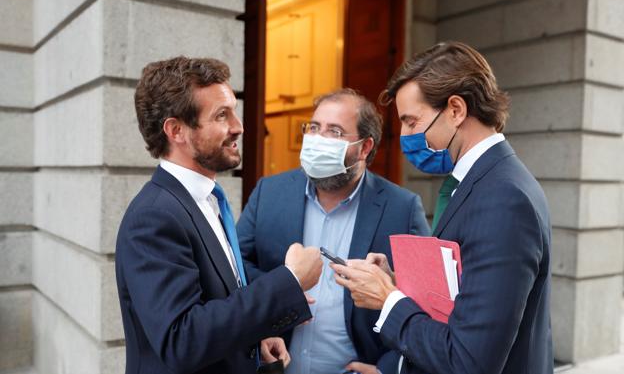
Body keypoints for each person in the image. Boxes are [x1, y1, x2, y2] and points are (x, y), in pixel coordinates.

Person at [331, 42, 553, 374]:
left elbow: (469, 360)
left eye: (411, 121)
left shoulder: (504, 198)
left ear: (455, 110)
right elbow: (468, 298)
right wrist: (397, 282)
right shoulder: (483, 182)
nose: (405, 136)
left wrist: (388, 301)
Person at [115, 56, 323, 374]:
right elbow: (181, 340)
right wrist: (289, 280)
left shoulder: (207, 199)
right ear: (176, 130)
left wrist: (256, 335)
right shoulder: (154, 217)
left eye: (233, 112)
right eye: (221, 115)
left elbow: (218, 301)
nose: (238, 126)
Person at [237, 88, 430, 374]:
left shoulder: (401, 208)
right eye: (314, 128)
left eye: (335, 132)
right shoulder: (270, 192)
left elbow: (425, 300)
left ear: (365, 148)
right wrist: (270, 309)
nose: (318, 139)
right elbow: (236, 269)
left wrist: (388, 369)